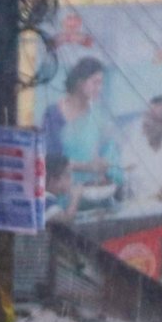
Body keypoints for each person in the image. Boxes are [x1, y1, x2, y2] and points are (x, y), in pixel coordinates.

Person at [42, 57, 124, 217]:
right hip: (61, 205)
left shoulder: (98, 117)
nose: (99, 88)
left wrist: (107, 168)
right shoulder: (53, 115)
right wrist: (87, 166)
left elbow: (111, 154)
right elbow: (50, 159)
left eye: (101, 83)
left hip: (94, 202)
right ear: (80, 82)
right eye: (95, 82)